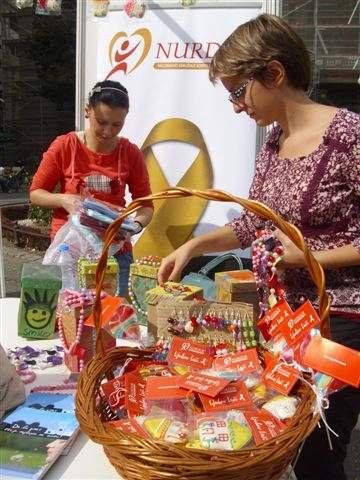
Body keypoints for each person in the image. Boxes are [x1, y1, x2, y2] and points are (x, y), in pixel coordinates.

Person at [158, 14, 360, 480]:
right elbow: (254, 223)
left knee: (318, 442)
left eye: (237, 91)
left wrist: (304, 258)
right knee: (276, 429)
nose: (234, 106)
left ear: (274, 73)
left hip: (342, 318)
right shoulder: (274, 142)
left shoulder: (348, 136)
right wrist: (195, 247)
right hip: (286, 319)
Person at [30, 80, 153, 295]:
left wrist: (135, 227)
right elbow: (36, 193)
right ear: (87, 111)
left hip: (116, 254)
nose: (107, 131)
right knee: (70, 317)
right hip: (69, 251)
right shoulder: (65, 146)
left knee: (115, 319)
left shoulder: (130, 153)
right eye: (102, 121)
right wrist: (64, 200)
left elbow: (146, 204)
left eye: (117, 125)